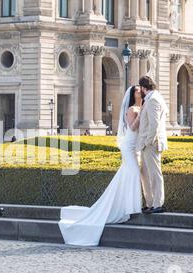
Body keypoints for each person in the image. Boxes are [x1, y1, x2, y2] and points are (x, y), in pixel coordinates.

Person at [59, 85, 143, 246]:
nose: (140, 91)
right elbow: (132, 127)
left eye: (140, 89)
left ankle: (129, 205)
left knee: (128, 173)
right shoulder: (132, 109)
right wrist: (141, 115)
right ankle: (132, 206)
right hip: (129, 145)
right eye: (138, 90)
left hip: (135, 145)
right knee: (133, 172)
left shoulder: (140, 107)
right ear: (134, 94)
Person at [137, 76, 169, 214]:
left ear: (144, 88)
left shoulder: (153, 99)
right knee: (145, 173)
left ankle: (157, 204)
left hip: (151, 143)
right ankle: (150, 202)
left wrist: (147, 142)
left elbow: (154, 124)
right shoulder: (154, 98)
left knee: (154, 174)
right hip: (148, 143)